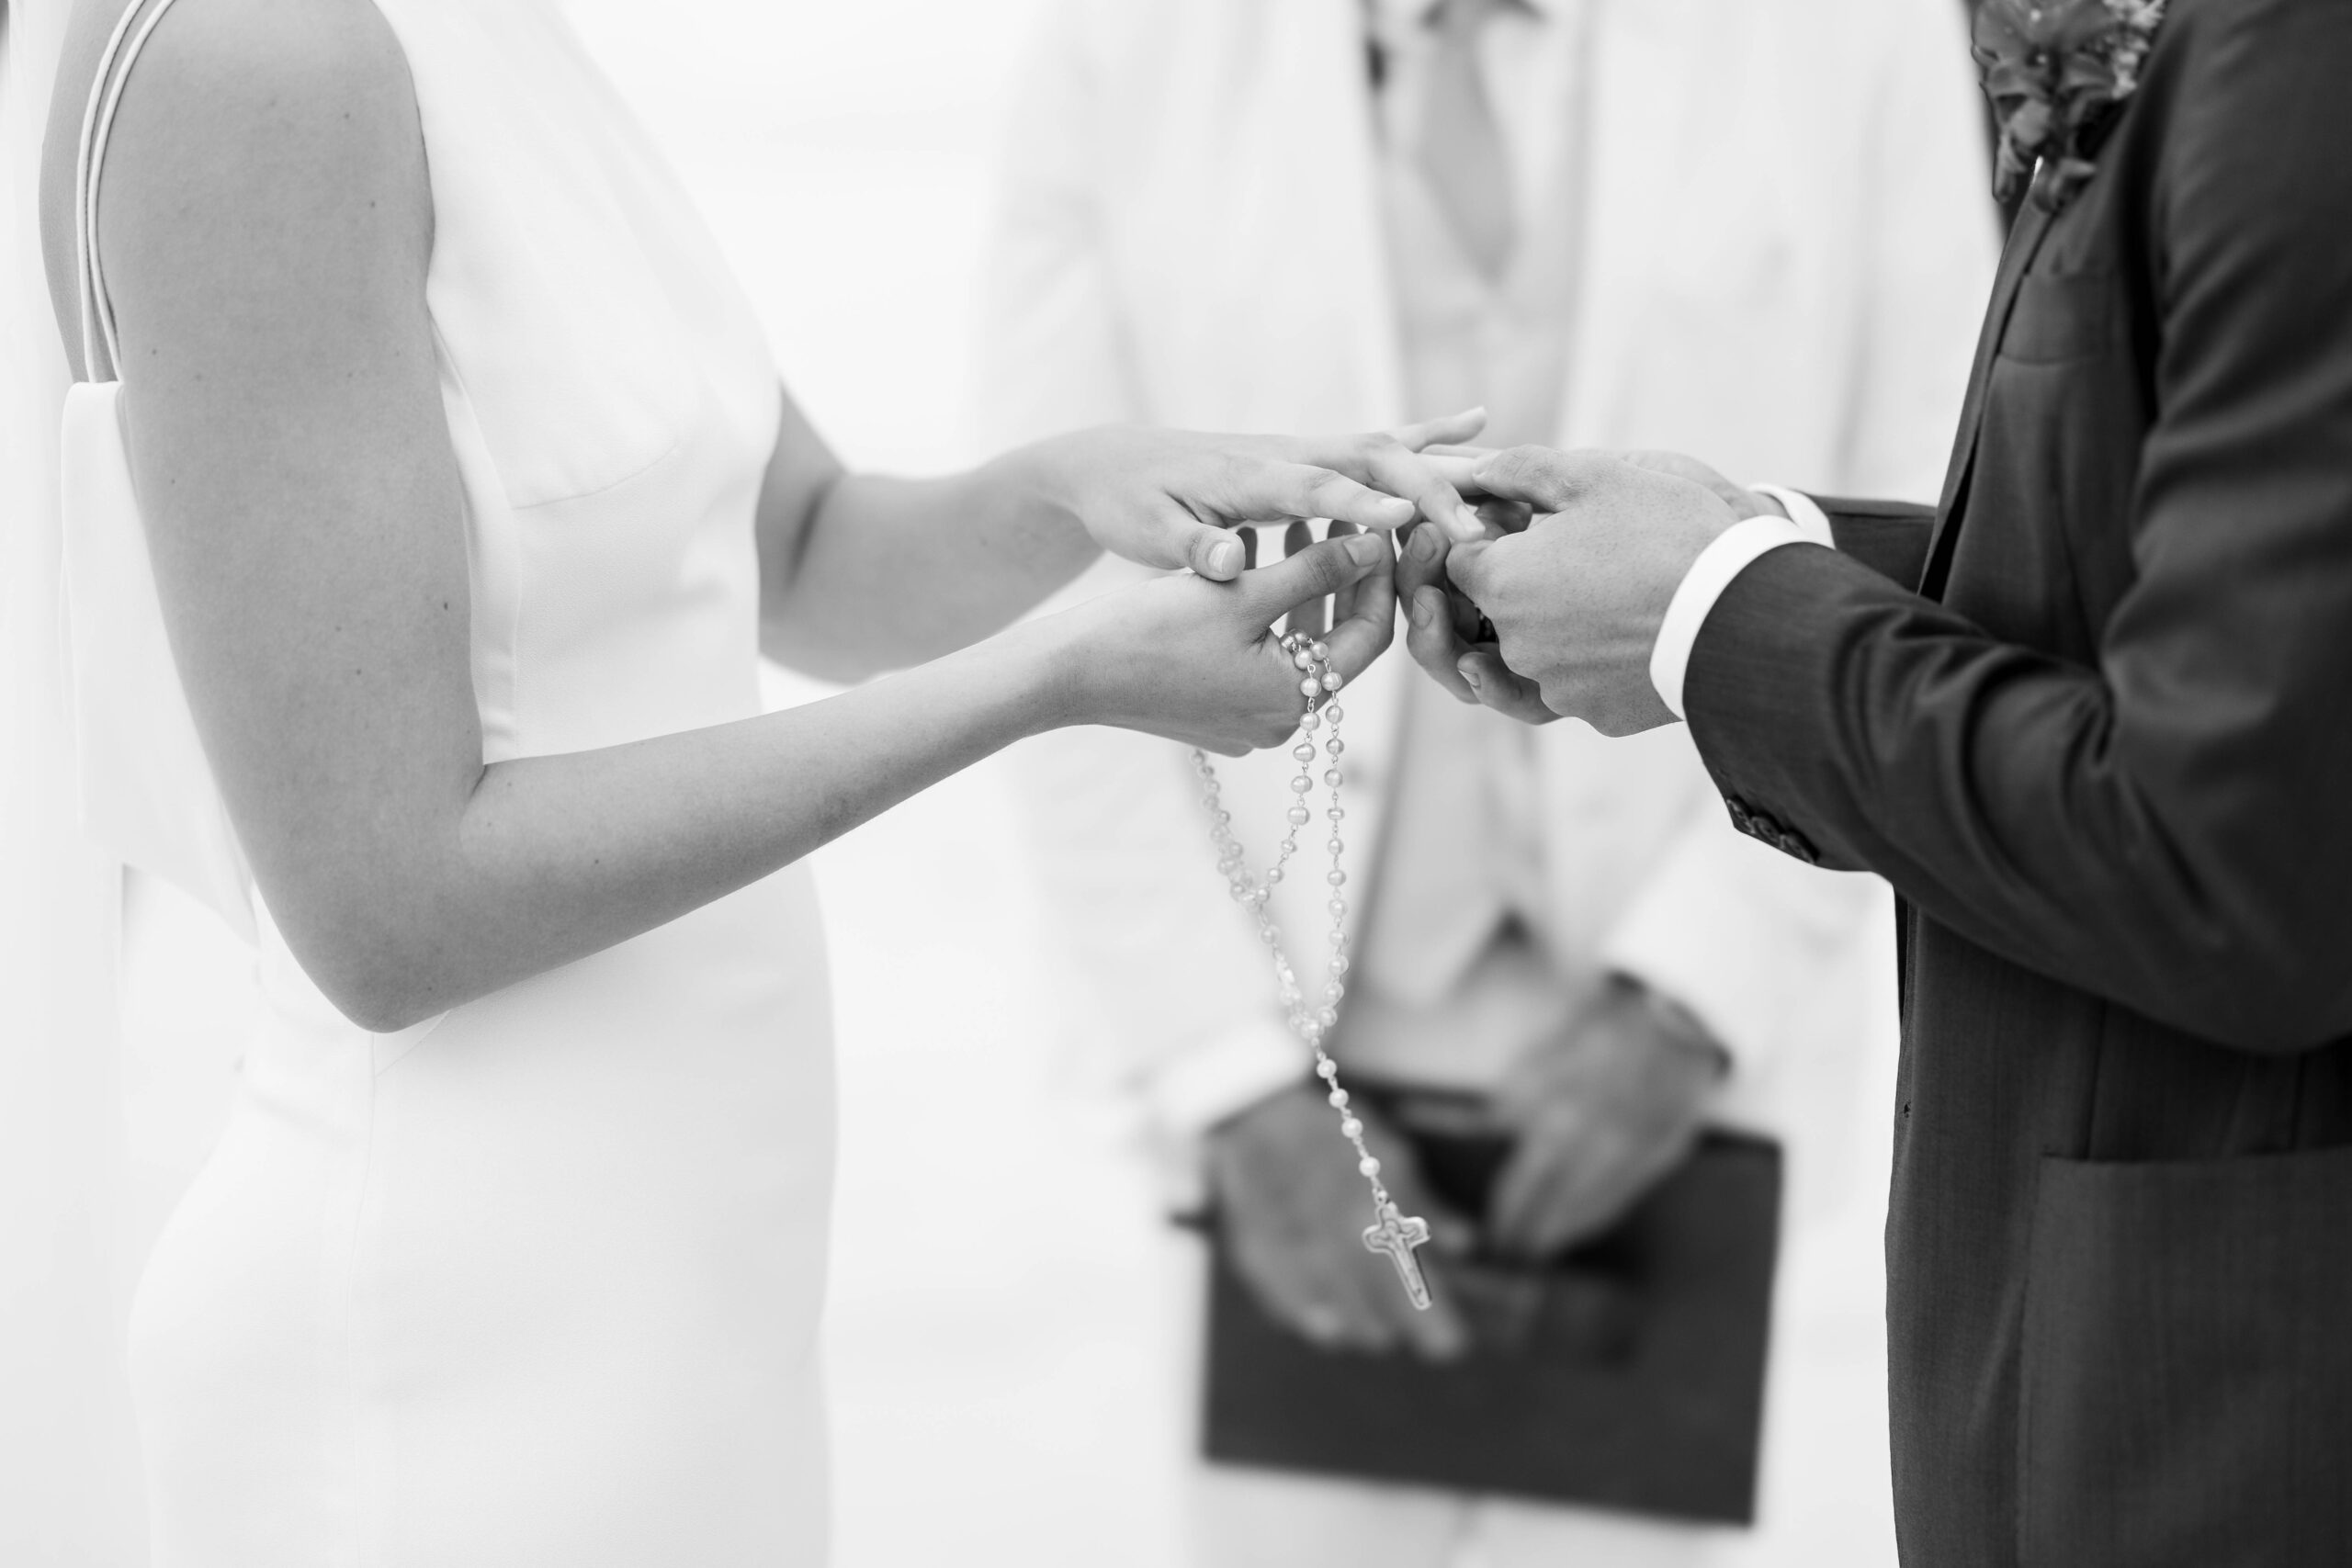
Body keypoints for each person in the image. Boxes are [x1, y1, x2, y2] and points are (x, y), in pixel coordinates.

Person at [23, 0, 1489, 1562]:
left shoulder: (497, 38)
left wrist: (1093, 490)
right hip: (453, 1343)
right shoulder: (255, 63)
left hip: (681, 1306)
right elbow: (388, 905)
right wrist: (1050, 679)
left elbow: (801, 555)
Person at [981, 0, 1992, 1562]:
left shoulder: (1857, 37)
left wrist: (1696, 998)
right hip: (1296, 1027)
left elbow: (1953, 546)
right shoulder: (1121, 46)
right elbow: (1039, 590)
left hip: (1690, 1020)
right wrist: (1223, 1079)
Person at [1403, 1, 2352, 1562]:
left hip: (2228, 1399)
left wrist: (1715, 616)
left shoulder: (2292, 55)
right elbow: (2197, 612)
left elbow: (2228, 851)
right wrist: (1743, 548)